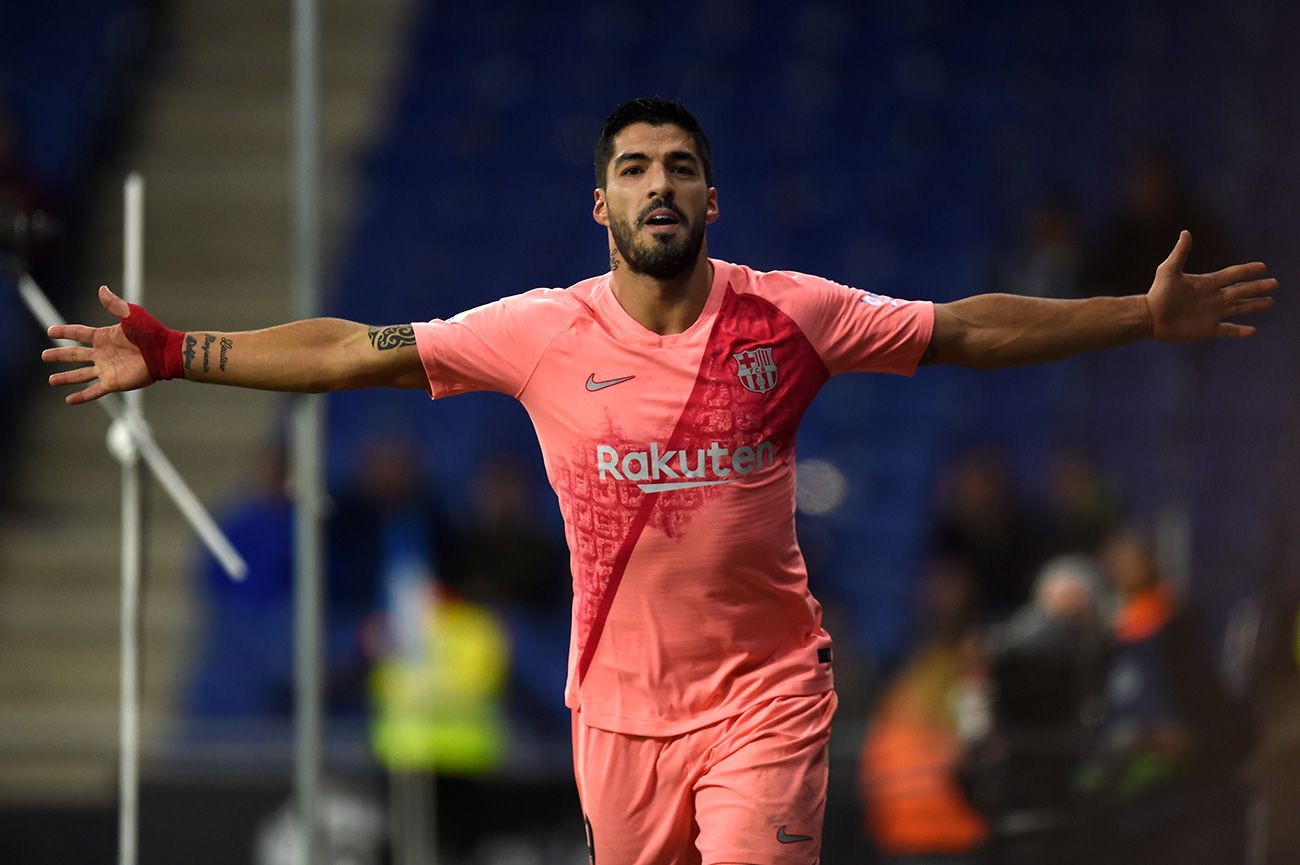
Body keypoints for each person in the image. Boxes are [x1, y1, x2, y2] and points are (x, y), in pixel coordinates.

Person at [41, 98, 1277, 865]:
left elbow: (967, 328)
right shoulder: (536, 330)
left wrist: (1133, 316)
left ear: (710, 196)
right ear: (601, 203)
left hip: (765, 695)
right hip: (618, 712)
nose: (660, 184)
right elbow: (348, 350)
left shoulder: (790, 315)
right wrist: (178, 351)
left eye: (680, 165)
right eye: (634, 168)